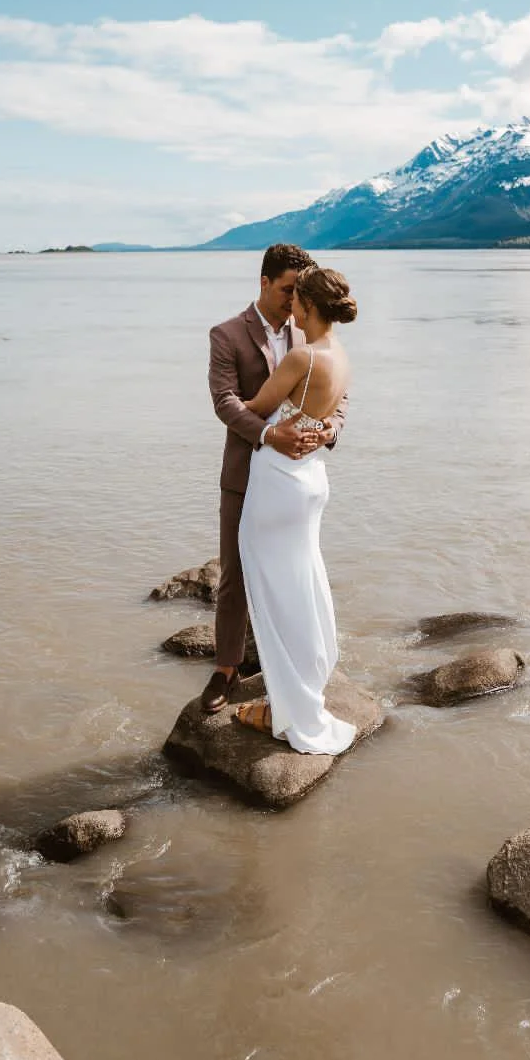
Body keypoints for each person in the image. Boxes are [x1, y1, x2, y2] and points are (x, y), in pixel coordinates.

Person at [201, 244, 347, 717]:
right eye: (287, 289)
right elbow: (224, 401)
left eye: (299, 292)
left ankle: (288, 664)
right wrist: (267, 434)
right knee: (234, 575)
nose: (293, 300)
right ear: (264, 282)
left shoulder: (311, 335)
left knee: (295, 571)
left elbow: (340, 396)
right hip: (246, 474)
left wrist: (329, 429)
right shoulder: (227, 335)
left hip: (294, 478)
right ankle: (227, 667)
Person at [233, 264, 358, 754]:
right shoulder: (340, 355)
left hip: (279, 481)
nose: (291, 308)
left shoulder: (302, 358)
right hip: (310, 480)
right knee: (302, 582)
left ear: (307, 306)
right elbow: (329, 417)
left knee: (273, 592)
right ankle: (304, 685)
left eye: (296, 301)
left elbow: (258, 408)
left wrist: (228, 399)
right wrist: (321, 430)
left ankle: (290, 708)